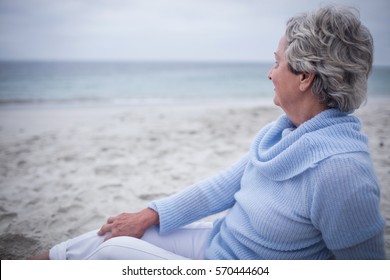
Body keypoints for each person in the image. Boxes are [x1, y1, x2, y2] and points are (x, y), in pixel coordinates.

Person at [32, 5, 386, 260]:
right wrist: (149, 214)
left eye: (277, 62)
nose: (270, 73)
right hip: (218, 244)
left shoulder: (341, 171)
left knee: (112, 256)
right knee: (114, 233)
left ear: (305, 77)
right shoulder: (284, 134)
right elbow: (220, 187)